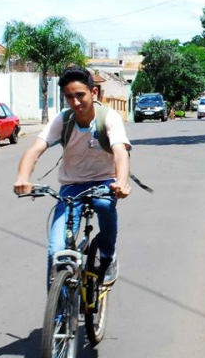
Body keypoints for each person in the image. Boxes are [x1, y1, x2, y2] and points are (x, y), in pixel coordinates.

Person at [13, 66, 132, 286]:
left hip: (104, 181)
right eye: (69, 97)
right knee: (56, 251)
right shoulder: (64, 119)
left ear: (93, 93)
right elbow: (34, 150)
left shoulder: (109, 117)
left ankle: (107, 254)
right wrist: (23, 177)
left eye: (80, 95)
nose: (75, 102)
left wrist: (121, 182)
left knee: (105, 206)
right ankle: (58, 318)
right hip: (72, 185)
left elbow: (120, 152)